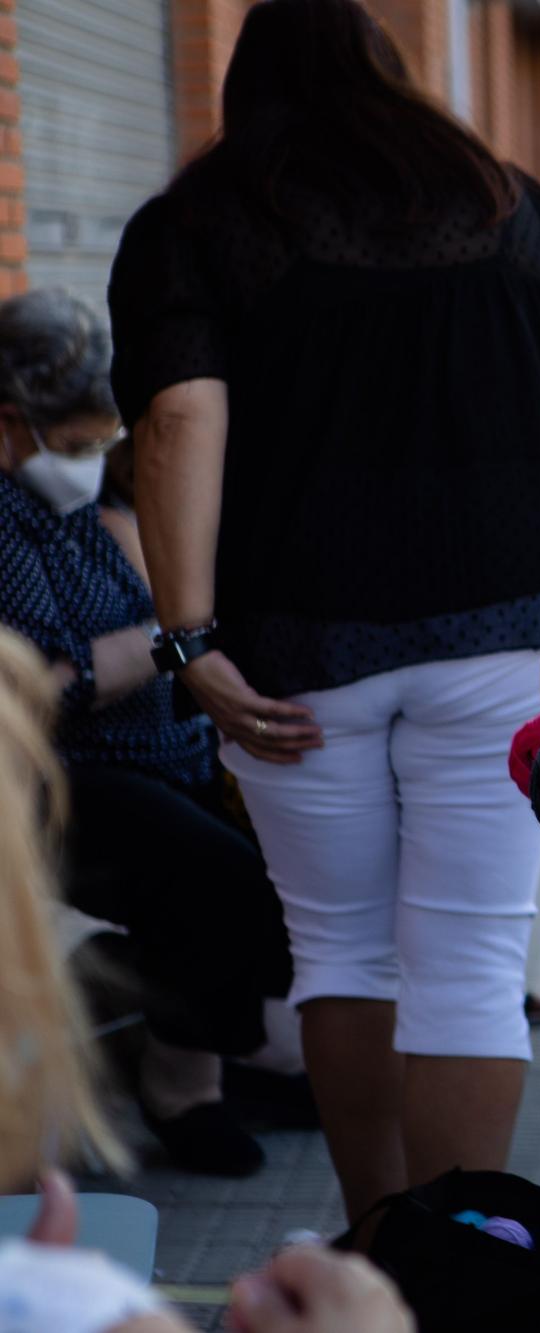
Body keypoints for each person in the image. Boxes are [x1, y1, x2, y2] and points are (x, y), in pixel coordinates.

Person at [107, 0, 540, 1223]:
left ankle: (380, 1251)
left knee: (341, 950)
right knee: (469, 965)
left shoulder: (196, 223)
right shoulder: (509, 206)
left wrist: (188, 638)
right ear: (396, 80)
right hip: (513, 630)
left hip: (303, 642)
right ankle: (468, 1271)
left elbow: (183, 421)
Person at [0, 627, 413, 1333]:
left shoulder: (102, 529)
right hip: (95, 772)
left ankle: (236, 1049)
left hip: (171, 757)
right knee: (217, 874)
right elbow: (53, 683)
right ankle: (184, 1065)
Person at [0, 288, 291, 1177]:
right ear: (13, 425)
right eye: (80, 443)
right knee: (217, 877)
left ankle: (212, 1047)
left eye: (102, 443)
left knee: (284, 859)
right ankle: (179, 1078)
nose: (93, 460)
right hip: (55, 775)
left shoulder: (75, 514)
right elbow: (36, 686)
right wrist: (162, 647)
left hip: (150, 758)